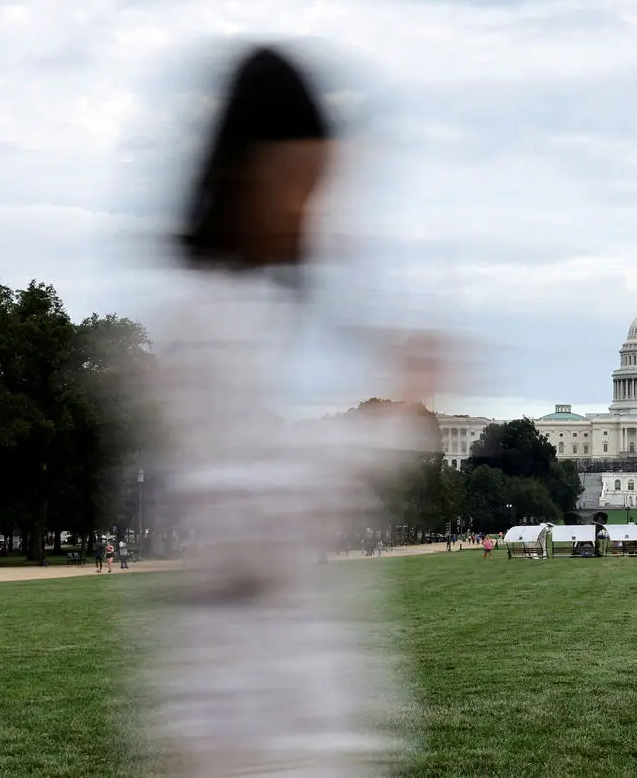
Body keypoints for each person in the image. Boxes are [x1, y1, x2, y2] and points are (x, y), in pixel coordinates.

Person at [143, 43, 444, 777]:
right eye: (303, 182)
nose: (312, 211)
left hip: (280, 713)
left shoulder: (251, 314)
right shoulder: (203, 320)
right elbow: (247, 515)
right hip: (249, 721)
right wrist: (392, 420)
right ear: (251, 175)